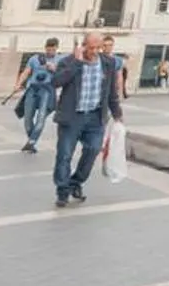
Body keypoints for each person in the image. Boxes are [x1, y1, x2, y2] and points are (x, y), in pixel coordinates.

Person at [47, 32, 125, 209]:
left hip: (95, 117)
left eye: (99, 47)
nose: (96, 51)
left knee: (93, 149)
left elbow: (111, 92)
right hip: (72, 117)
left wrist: (118, 114)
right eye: (91, 48)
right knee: (64, 155)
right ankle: (62, 190)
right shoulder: (68, 61)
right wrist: (77, 62)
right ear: (83, 46)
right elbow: (56, 81)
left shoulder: (108, 63)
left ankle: (76, 182)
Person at [10, 37, 62, 156]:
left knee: (41, 117)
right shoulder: (35, 58)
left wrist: (53, 68)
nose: (50, 52)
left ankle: (31, 142)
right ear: (45, 48)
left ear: (57, 48)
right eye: (48, 49)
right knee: (28, 119)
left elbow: (63, 75)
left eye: (53, 50)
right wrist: (18, 84)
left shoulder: (60, 59)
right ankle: (31, 142)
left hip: (47, 90)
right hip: (32, 89)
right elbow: (26, 72)